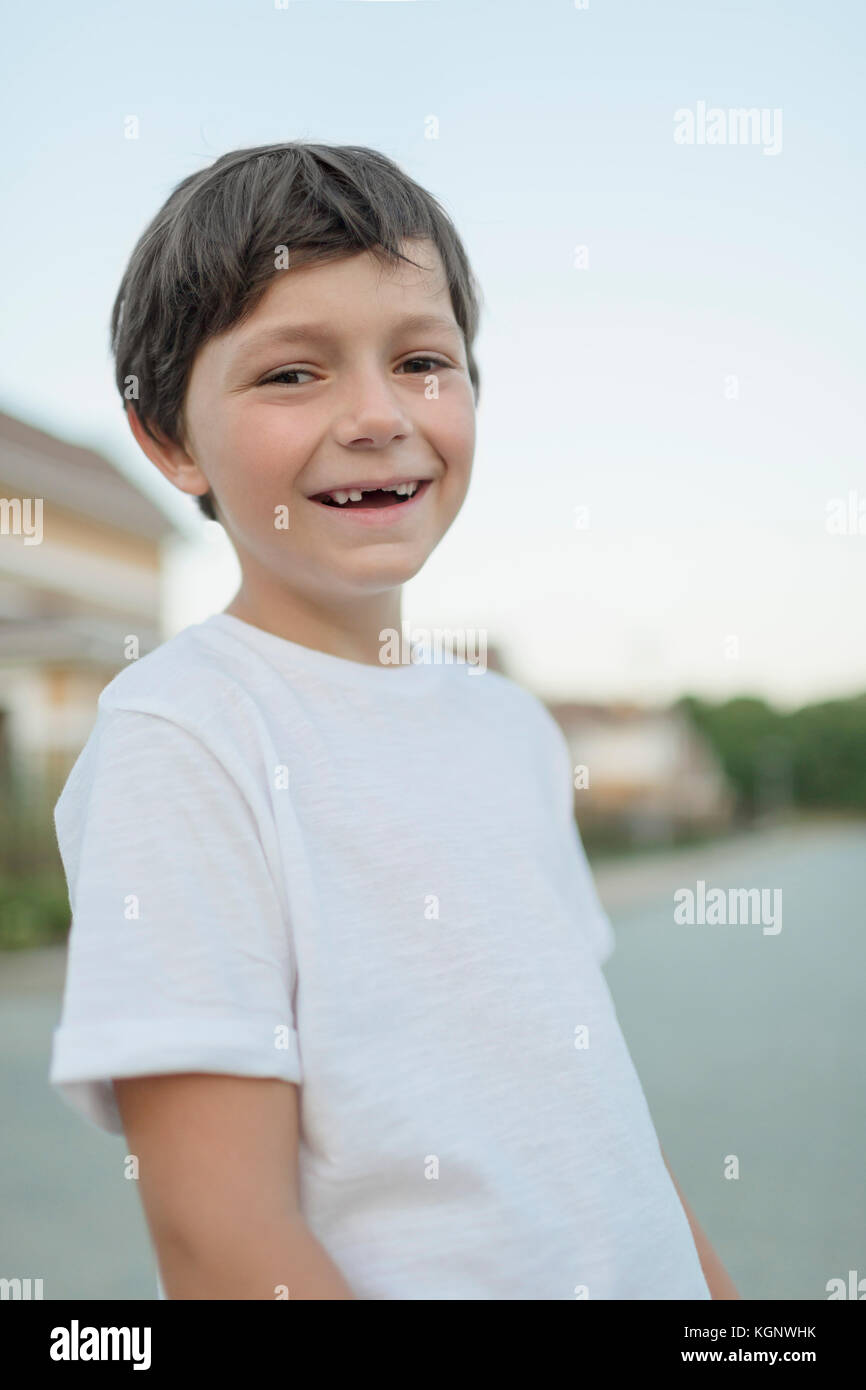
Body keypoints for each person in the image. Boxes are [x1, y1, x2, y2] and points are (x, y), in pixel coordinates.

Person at [49, 141, 738, 1301]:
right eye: (290, 374)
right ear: (167, 439)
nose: (376, 415)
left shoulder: (513, 729)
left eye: (420, 359)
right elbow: (225, 1247)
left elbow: (599, 1126)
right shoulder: (186, 735)